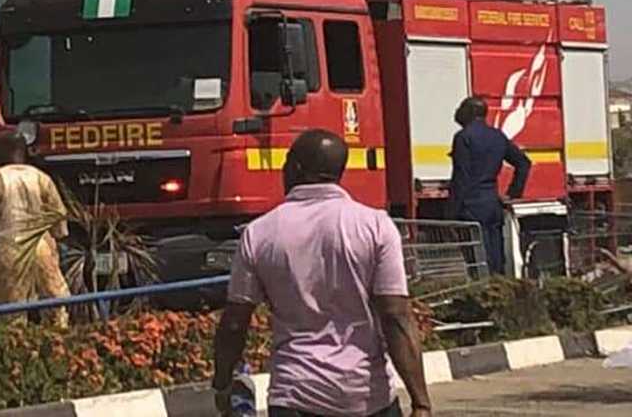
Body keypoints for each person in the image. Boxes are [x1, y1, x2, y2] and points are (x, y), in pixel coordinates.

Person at [213, 129, 431, 417]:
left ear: (295, 168)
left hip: (295, 394)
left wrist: (223, 384)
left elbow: (234, 322)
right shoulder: (375, 226)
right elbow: (395, 315)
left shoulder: (259, 233)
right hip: (368, 397)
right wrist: (420, 403)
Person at [0, 133, 71, 328]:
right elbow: (59, 217)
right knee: (55, 305)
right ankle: (58, 340)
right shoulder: (41, 177)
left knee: (13, 312)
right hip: (42, 247)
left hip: (9, 249)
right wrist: (57, 236)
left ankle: (19, 343)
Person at [448, 96, 531, 275]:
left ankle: (483, 288)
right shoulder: (497, 136)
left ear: (470, 112)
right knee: (495, 256)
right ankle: (498, 284)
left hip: (470, 206)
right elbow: (523, 163)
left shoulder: (463, 137)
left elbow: (461, 177)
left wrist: (453, 212)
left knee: (476, 260)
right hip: (492, 204)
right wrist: (513, 193)